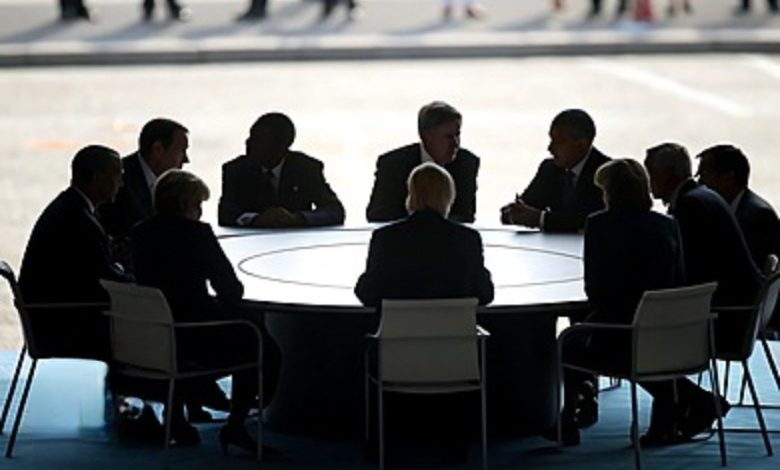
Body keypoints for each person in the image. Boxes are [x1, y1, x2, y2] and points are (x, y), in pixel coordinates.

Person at [130, 169, 281, 451]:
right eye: (198, 204)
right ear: (186, 204)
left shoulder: (140, 233)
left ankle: (177, 417)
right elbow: (230, 290)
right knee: (256, 340)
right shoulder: (197, 234)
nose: (200, 211)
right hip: (196, 336)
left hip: (155, 335)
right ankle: (236, 425)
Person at [355, 162, 493, 462]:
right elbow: (485, 294)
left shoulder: (386, 239)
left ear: (411, 195)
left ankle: (379, 439)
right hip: (456, 359)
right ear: (448, 196)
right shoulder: (467, 240)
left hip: (395, 358)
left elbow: (366, 292)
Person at [551, 158, 688, 446]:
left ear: (610, 192)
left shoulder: (599, 224)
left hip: (619, 334)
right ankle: (682, 402)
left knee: (570, 342)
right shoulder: (666, 224)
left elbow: (595, 290)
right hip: (667, 332)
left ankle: (570, 416)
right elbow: (678, 278)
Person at [19, 145, 129, 360]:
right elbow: (105, 279)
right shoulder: (79, 219)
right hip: (62, 323)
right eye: (117, 176)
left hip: (45, 316)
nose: (121, 184)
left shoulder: (69, 206)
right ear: (97, 178)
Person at [218, 112, 345, 228]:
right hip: (252, 239)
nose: (248, 143)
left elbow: (334, 211)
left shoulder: (305, 168)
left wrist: (297, 218)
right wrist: (255, 219)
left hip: (296, 239)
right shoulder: (236, 170)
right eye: (250, 137)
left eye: (259, 139)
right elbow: (226, 213)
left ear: (282, 145)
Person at [366, 101, 480, 224]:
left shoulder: (466, 163)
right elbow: (378, 214)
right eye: (448, 137)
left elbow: (465, 215)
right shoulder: (393, 164)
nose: (455, 143)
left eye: (457, 135)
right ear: (426, 136)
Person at [501, 108, 610, 232]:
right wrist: (513, 213)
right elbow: (525, 206)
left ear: (581, 145)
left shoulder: (609, 173)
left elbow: (592, 220)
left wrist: (540, 219)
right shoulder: (549, 168)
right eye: (551, 139)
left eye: (559, 141)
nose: (550, 148)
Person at [100, 118, 190, 241]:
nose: (186, 160)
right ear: (158, 150)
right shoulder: (118, 180)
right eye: (182, 151)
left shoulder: (173, 184)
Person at [696, 144, 780, 270]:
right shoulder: (718, 211)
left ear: (728, 178)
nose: (700, 182)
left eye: (704, 174)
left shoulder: (759, 216)